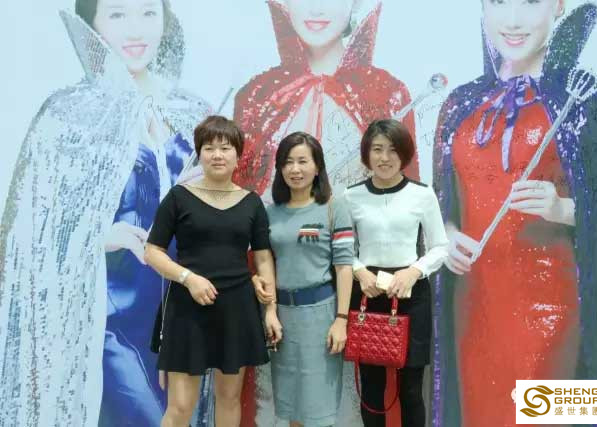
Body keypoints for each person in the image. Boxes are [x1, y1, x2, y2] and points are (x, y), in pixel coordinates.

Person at [0, 1, 209, 425]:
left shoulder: (194, 114)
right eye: (117, 14)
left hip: (182, 313)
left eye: (148, 13)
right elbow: (28, 237)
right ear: (91, 23)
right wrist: (99, 237)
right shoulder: (67, 118)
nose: (136, 30)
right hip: (109, 316)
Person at [432, 2, 597, 426]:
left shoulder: (584, 98)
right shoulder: (458, 104)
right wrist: (446, 234)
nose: (512, 20)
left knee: (538, 416)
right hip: (473, 304)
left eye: (530, 1)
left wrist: (563, 208)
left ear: (557, 5)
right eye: (498, 1)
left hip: (554, 307)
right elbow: (441, 202)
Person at [144, 115, 279, 427]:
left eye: (225, 148)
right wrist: (188, 278)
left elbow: (262, 259)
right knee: (180, 406)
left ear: (237, 155)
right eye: (209, 148)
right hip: (186, 308)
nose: (217, 155)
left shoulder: (252, 203)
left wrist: (270, 308)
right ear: (199, 154)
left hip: (236, 309)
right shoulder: (178, 197)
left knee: (229, 399)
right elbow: (152, 252)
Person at [233, 0, 420, 201]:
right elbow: (237, 201)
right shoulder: (257, 96)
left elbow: (408, 200)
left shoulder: (388, 94)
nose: (316, 9)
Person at [345, 119, 448, 427]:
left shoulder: (422, 194)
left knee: (411, 390)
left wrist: (414, 271)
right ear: (367, 154)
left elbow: (440, 247)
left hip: (411, 295)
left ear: (404, 154)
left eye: (392, 150)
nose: (384, 158)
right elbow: (341, 248)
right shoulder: (351, 196)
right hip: (368, 293)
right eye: (377, 149)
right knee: (371, 389)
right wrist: (360, 272)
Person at [251, 131, 354, 426]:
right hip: (282, 319)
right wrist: (268, 308)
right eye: (287, 162)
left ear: (317, 166)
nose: (294, 169)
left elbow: (344, 267)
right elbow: (265, 262)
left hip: (321, 317)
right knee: (291, 407)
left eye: (302, 161)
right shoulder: (270, 213)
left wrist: (341, 320)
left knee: (318, 408)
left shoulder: (334, 208)